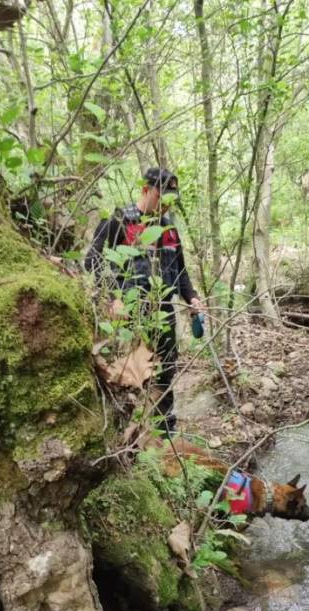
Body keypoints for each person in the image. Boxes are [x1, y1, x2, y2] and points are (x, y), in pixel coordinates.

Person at [83, 167, 204, 434]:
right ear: (146, 190)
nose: (166, 204)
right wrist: (113, 298)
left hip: (164, 312)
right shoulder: (119, 220)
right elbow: (92, 260)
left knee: (165, 370)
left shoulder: (169, 229)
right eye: (162, 197)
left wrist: (192, 298)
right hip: (129, 316)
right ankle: (125, 435)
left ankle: (163, 432)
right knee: (128, 376)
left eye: (171, 199)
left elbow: (181, 271)